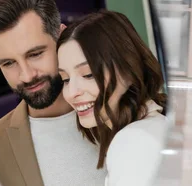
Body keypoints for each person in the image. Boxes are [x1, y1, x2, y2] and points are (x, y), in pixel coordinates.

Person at [0, 0, 107, 185]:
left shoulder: (123, 108)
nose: (27, 76)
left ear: (62, 37)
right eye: (9, 63)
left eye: (35, 54)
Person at [56, 10, 169, 186]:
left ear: (128, 70)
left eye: (88, 75)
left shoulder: (134, 141)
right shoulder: (151, 129)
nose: (72, 92)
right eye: (65, 79)